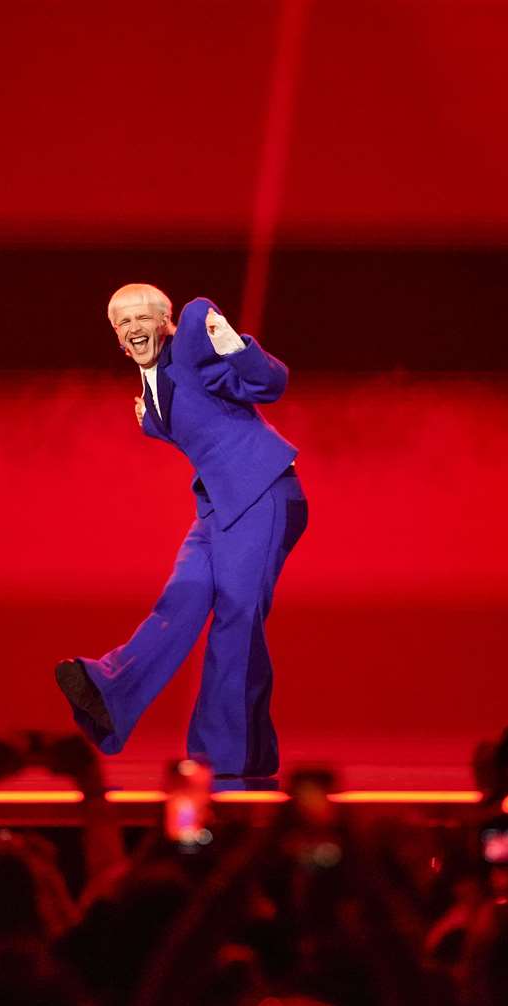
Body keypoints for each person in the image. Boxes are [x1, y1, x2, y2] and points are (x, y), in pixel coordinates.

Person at [55, 285, 306, 779]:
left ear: (166, 322)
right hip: (217, 506)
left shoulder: (193, 331)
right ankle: (110, 691)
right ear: (118, 341)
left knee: (236, 620)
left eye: (143, 318)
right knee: (183, 598)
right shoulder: (150, 399)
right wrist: (151, 418)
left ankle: (226, 758)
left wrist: (235, 346)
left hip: (264, 494)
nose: (134, 329)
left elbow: (268, 386)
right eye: (123, 324)